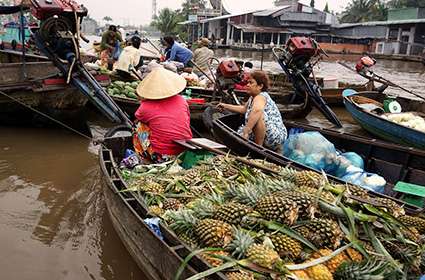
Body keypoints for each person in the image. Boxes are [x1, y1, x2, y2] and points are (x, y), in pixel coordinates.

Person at [217, 70, 287, 152]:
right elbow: (244, 109)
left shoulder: (261, 97)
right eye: (248, 82)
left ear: (260, 86)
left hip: (275, 136)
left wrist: (246, 131)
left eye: (251, 83)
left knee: (257, 115)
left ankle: (258, 149)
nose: (247, 85)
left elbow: (257, 111)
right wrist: (226, 106)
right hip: (266, 134)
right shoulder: (252, 97)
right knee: (240, 133)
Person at [133, 67, 193, 163]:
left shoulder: (145, 106)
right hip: (184, 149)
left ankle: (144, 156)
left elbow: (138, 118)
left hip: (161, 155)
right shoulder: (182, 100)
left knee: (138, 125)